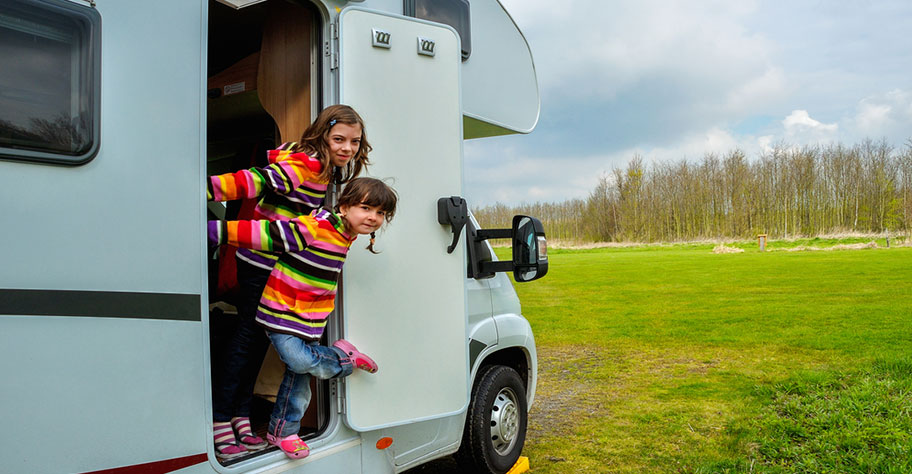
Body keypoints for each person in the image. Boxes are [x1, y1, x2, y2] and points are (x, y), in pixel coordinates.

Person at [207, 105, 371, 459]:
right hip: (260, 259)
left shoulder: (325, 167)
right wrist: (207, 190)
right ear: (324, 135)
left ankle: (239, 416)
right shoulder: (309, 163)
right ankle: (222, 417)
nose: (347, 148)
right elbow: (257, 180)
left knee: (255, 342)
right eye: (339, 139)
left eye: (354, 142)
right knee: (247, 339)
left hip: (275, 262)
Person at [208, 177, 398, 460]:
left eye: (381, 213)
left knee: (297, 377)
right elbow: (268, 233)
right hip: (280, 310)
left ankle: (283, 431)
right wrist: (217, 230)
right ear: (344, 207)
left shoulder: (347, 233)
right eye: (366, 208)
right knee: (298, 360)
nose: (373, 217)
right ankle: (343, 359)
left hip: (312, 317)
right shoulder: (316, 227)